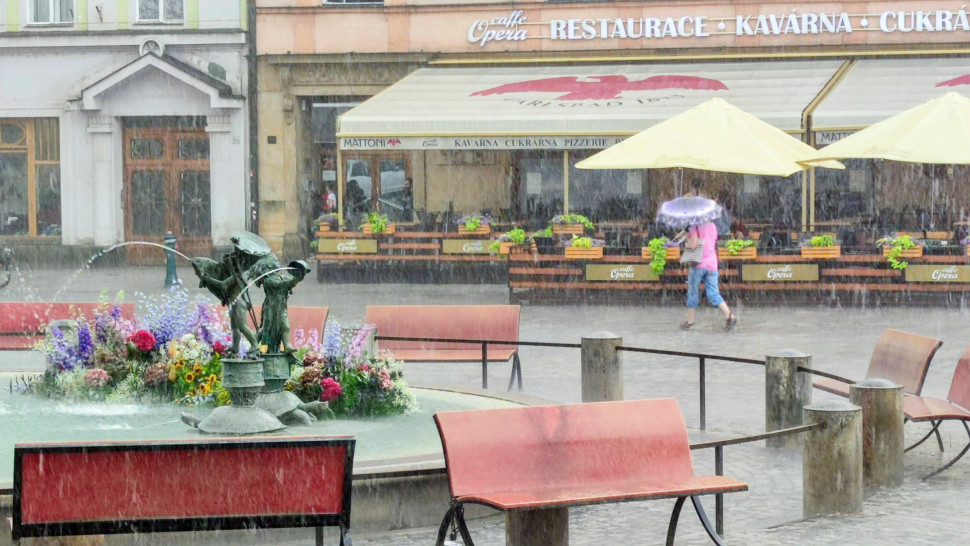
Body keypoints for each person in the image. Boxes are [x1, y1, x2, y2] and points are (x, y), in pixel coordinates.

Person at [681, 179, 737, 331]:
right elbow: (710, 242)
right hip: (712, 263)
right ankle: (729, 315)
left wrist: (687, 240)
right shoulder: (713, 225)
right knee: (713, 293)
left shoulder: (694, 227)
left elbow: (693, 246)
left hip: (698, 264)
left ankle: (690, 321)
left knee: (693, 291)